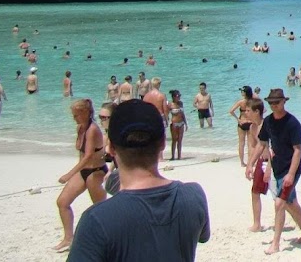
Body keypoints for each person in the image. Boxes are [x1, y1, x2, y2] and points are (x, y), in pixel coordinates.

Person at [66, 99, 210, 261]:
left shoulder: (96, 219)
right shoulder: (193, 196)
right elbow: (203, 236)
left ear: (111, 148)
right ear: (163, 143)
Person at [246, 88, 301, 255]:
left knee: (279, 203)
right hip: (278, 167)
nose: (273, 105)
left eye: (277, 102)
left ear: (284, 102)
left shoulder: (292, 123)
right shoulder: (268, 122)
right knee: (290, 203)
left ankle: (276, 243)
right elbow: (262, 144)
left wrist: (291, 174)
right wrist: (250, 164)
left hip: (291, 168)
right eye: (271, 103)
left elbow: (297, 150)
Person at [53, 98, 108, 251]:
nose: (74, 118)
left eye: (76, 115)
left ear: (85, 113)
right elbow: (81, 155)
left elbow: (88, 156)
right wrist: (76, 175)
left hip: (96, 171)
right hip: (83, 171)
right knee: (62, 202)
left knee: (100, 209)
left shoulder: (92, 129)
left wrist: (68, 175)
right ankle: (68, 239)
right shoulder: (80, 128)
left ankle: (107, 239)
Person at [246, 100, 270, 233]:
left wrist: (269, 167)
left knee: (280, 196)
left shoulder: (266, 125)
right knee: (255, 192)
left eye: (248, 111)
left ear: (256, 111)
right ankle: (257, 223)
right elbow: (252, 147)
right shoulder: (252, 127)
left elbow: (271, 147)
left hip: (271, 162)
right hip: (260, 161)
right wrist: (250, 165)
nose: (246, 113)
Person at [229, 85, 256, 165]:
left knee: (241, 143)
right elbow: (263, 110)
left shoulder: (241, 102)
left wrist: (238, 119)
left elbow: (231, 111)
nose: (241, 92)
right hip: (250, 122)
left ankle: (242, 162)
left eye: (242, 91)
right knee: (250, 144)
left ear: (245, 93)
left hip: (242, 122)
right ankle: (250, 162)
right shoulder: (252, 102)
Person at [167, 89, 187, 161]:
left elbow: (182, 114)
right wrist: (166, 122)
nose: (179, 97)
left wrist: (186, 123)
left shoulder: (181, 103)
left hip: (181, 123)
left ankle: (179, 156)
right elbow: (166, 114)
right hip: (174, 123)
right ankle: (173, 156)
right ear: (174, 97)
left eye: (180, 96)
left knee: (180, 140)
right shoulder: (170, 104)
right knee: (174, 140)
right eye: (178, 96)